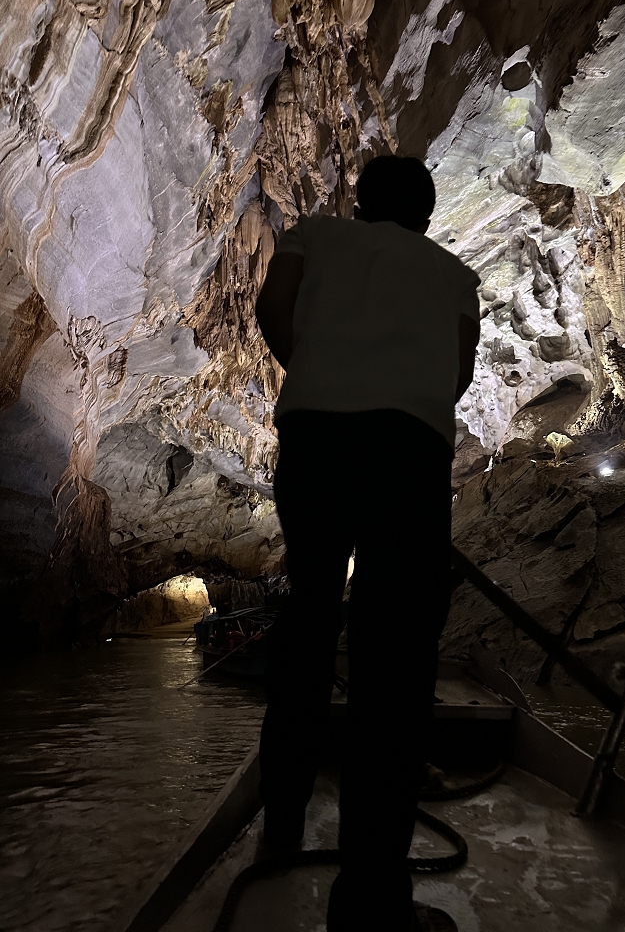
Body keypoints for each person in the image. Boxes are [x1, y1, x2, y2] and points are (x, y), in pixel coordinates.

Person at [255, 155, 481, 931]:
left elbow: (271, 309)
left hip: (314, 440)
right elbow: (457, 371)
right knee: (396, 651)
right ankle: (371, 894)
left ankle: (279, 825)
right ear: (425, 213)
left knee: (310, 616)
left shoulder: (313, 237)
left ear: (359, 203)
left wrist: (320, 374)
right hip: (407, 451)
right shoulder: (454, 274)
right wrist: (397, 396)